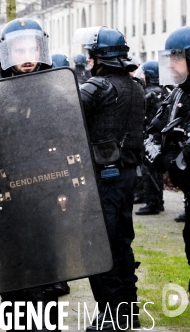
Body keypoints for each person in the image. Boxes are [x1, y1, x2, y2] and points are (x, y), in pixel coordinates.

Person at [77, 26, 144, 331]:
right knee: (120, 245)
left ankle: (111, 317)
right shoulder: (136, 87)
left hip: (104, 178)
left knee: (99, 248)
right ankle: (128, 313)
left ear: (97, 56)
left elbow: (62, 115)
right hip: (127, 176)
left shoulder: (97, 86)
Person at [0, 18, 60, 330]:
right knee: (13, 278)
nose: (27, 55)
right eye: (19, 49)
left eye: (32, 48)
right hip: (7, 202)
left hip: (46, 199)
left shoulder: (56, 91)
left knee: (46, 278)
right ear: (7, 52)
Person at [145, 25, 190, 289]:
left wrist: (176, 162)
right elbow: (151, 133)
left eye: (177, 57)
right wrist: (166, 165)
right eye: (169, 58)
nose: (171, 64)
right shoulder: (177, 92)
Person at [134, 61, 168, 216]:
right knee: (151, 168)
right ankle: (155, 202)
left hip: (152, 136)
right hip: (157, 135)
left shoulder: (151, 93)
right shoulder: (161, 90)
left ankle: (153, 203)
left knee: (150, 169)